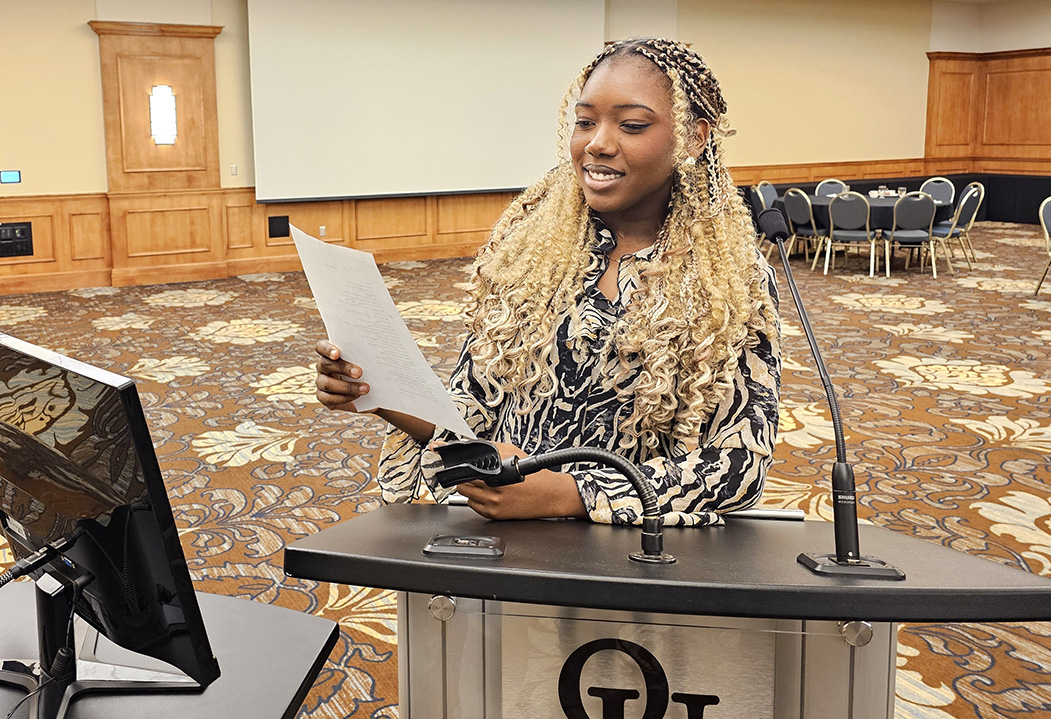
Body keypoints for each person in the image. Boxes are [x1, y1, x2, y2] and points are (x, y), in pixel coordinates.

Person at [315, 37, 780, 526]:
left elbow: (738, 465)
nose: (597, 143)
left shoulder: (732, 281)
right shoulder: (529, 254)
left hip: (630, 550)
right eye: (585, 122)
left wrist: (568, 494)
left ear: (693, 137)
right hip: (505, 542)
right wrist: (379, 393)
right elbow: (474, 411)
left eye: (632, 125)